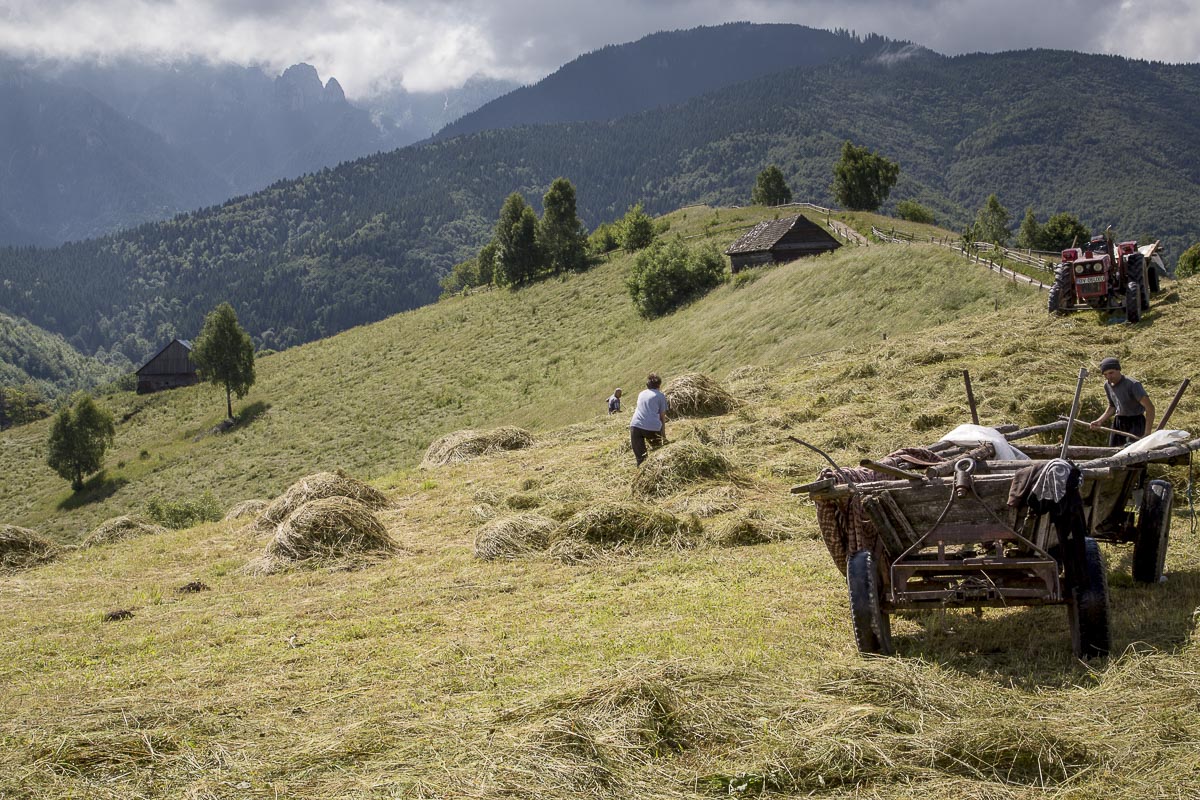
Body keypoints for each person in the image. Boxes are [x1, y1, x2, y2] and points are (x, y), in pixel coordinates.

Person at [1089, 357, 1155, 445]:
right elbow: (1112, 406)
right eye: (1105, 374)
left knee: (1133, 452)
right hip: (1119, 422)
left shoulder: (1133, 384)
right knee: (1114, 451)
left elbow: (1150, 408)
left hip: (1135, 422)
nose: (1109, 377)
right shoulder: (1107, 385)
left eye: (1111, 373)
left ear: (1118, 370)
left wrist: (1147, 433)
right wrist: (1100, 421)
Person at [629, 373, 668, 466]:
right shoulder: (660, 396)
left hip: (635, 426)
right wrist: (663, 435)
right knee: (657, 451)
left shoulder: (641, 394)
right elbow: (662, 417)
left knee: (641, 459)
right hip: (651, 428)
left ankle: (641, 473)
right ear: (659, 385)